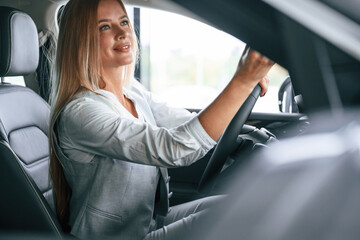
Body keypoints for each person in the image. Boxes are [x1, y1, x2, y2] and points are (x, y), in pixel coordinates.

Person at [48, 0, 274, 239]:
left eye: (123, 22)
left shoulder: (131, 91)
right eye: (105, 27)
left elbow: (187, 123)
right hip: (116, 236)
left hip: (147, 222)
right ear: (80, 41)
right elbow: (176, 147)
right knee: (239, 216)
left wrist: (244, 96)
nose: (123, 31)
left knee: (235, 206)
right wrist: (242, 80)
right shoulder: (82, 113)